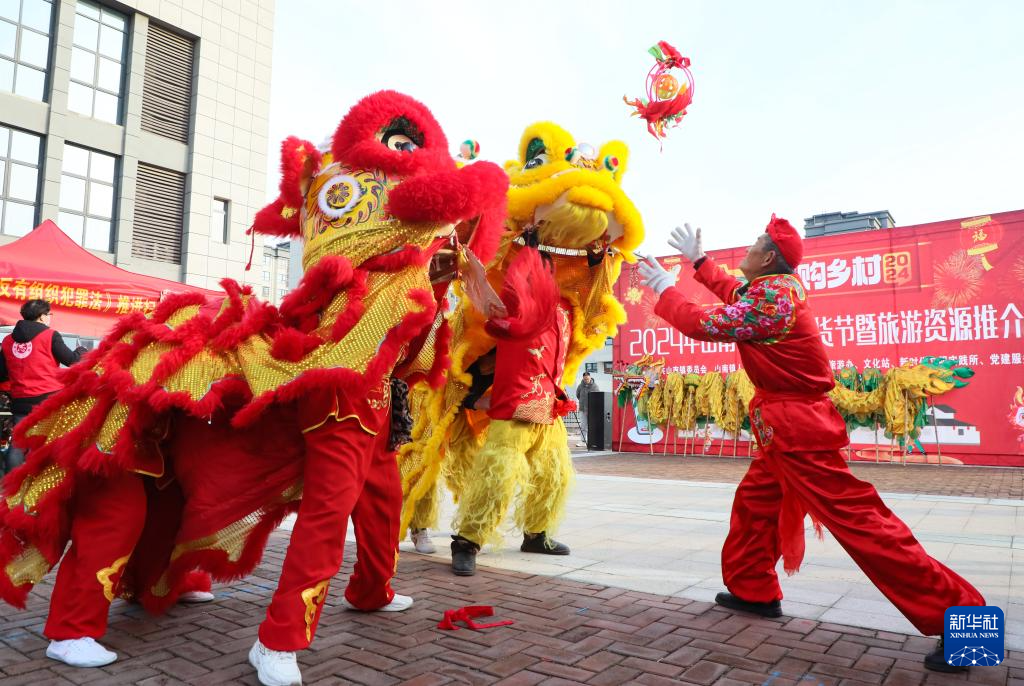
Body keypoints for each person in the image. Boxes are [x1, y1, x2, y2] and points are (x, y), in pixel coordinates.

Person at [638, 216, 985, 675]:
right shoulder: (773, 290)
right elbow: (734, 295)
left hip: (798, 431)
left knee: (864, 525)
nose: (746, 251)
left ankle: (967, 625)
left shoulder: (773, 298)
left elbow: (706, 322)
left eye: (754, 244)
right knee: (755, 504)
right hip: (784, 428)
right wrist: (699, 263)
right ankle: (753, 590)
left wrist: (667, 288)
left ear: (768, 258)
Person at [0, 300, 86, 474]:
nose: (49, 318)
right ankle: (41, 480)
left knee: (19, 444)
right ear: (41, 317)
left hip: (21, 401)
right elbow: (72, 361)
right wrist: (82, 351)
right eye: (49, 314)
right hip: (48, 400)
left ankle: (12, 482)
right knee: (47, 442)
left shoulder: (8, 341)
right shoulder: (50, 335)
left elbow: (2, 373)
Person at [574, 371, 598, 447]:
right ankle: (583, 441)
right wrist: (582, 402)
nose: (586, 380)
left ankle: (592, 441)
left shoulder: (595, 386)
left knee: (591, 426)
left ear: (590, 378)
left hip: (591, 409)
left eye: (587, 379)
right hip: (582, 409)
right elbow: (578, 395)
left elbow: (597, 397)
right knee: (583, 426)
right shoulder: (580, 386)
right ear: (583, 378)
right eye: (585, 379)